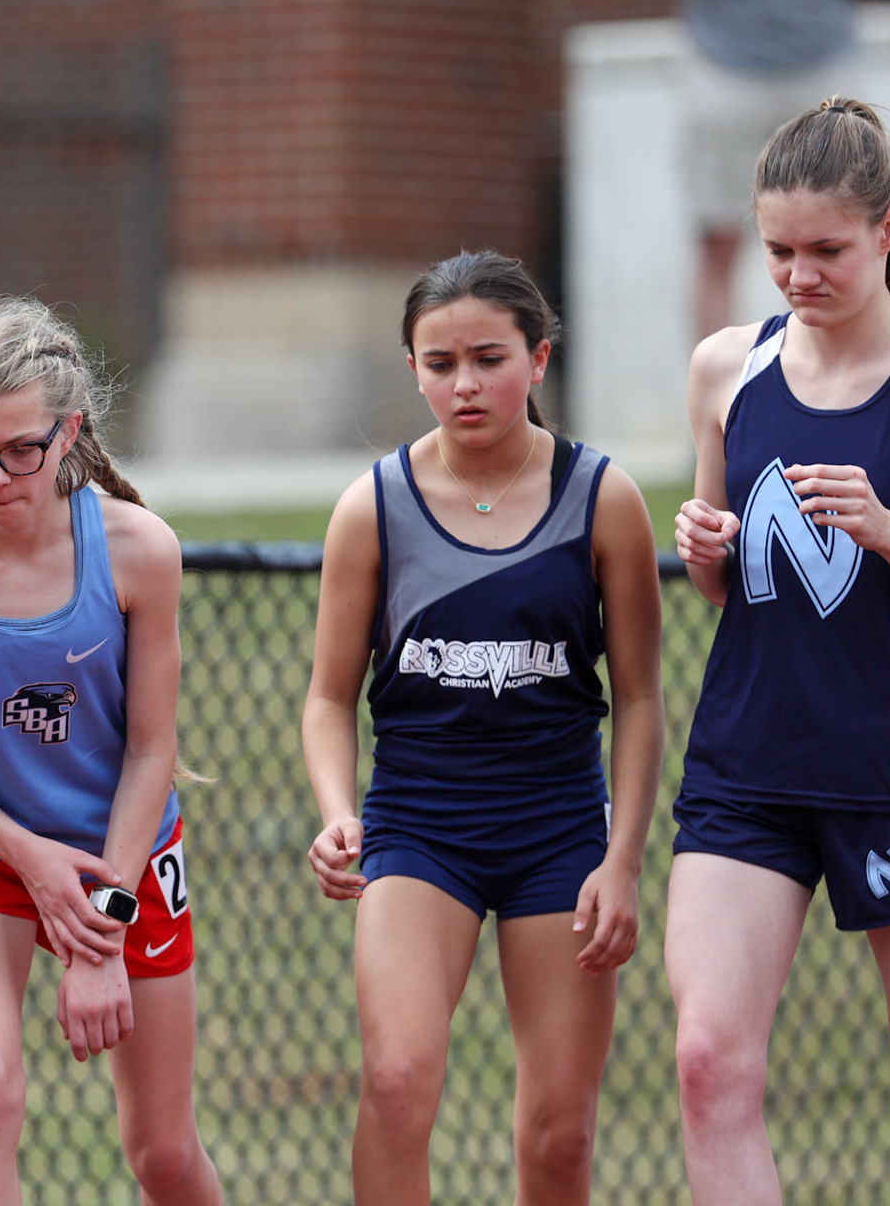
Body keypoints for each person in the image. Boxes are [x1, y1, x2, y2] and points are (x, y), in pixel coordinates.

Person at [669, 98, 890, 1204]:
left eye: (825, 249)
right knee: (708, 1062)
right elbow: (732, 578)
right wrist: (702, 546)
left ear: (887, 230)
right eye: (778, 250)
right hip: (747, 764)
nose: (797, 274)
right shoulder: (727, 368)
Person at [302, 251, 664, 1206]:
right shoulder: (373, 506)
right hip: (420, 831)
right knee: (395, 1083)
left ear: (539, 360)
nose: (464, 384)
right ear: (413, 368)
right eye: (439, 362)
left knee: (558, 1132)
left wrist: (621, 861)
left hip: (560, 836)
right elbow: (329, 698)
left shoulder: (604, 499)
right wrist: (340, 813)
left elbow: (638, 699)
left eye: (489, 358)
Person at [0, 296, 222, 1206]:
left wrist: (101, 926)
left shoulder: (139, 551)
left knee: (164, 1153)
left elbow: (150, 753)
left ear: (72, 432)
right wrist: (24, 853)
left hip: (122, 851)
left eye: (22, 448)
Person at [654, 0, 890, 339]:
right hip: (725, 69)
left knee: (837, 235)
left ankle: (836, 385)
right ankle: (719, 395)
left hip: (825, 67)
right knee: (717, 240)